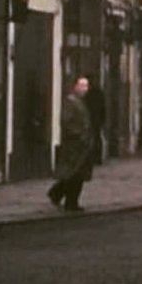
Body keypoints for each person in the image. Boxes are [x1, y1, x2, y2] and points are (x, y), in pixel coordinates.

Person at [48, 76, 94, 211]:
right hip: (74, 147)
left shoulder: (81, 102)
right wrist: (79, 135)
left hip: (82, 146)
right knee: (74, 174)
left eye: (86, 86)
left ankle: (62, 197)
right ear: (75, 87)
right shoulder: (71, 102)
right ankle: (67, 200)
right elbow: (66, 122)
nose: (84, 89)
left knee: (76, 175)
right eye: (81, 86)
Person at [84, 79, 106, 166]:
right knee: (97, 138)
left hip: (90, 118)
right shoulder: (99, 94)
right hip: (97, 119)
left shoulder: (88, 95)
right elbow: (103, 108)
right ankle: (98, 158)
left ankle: (91, 157)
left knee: (91, 138)